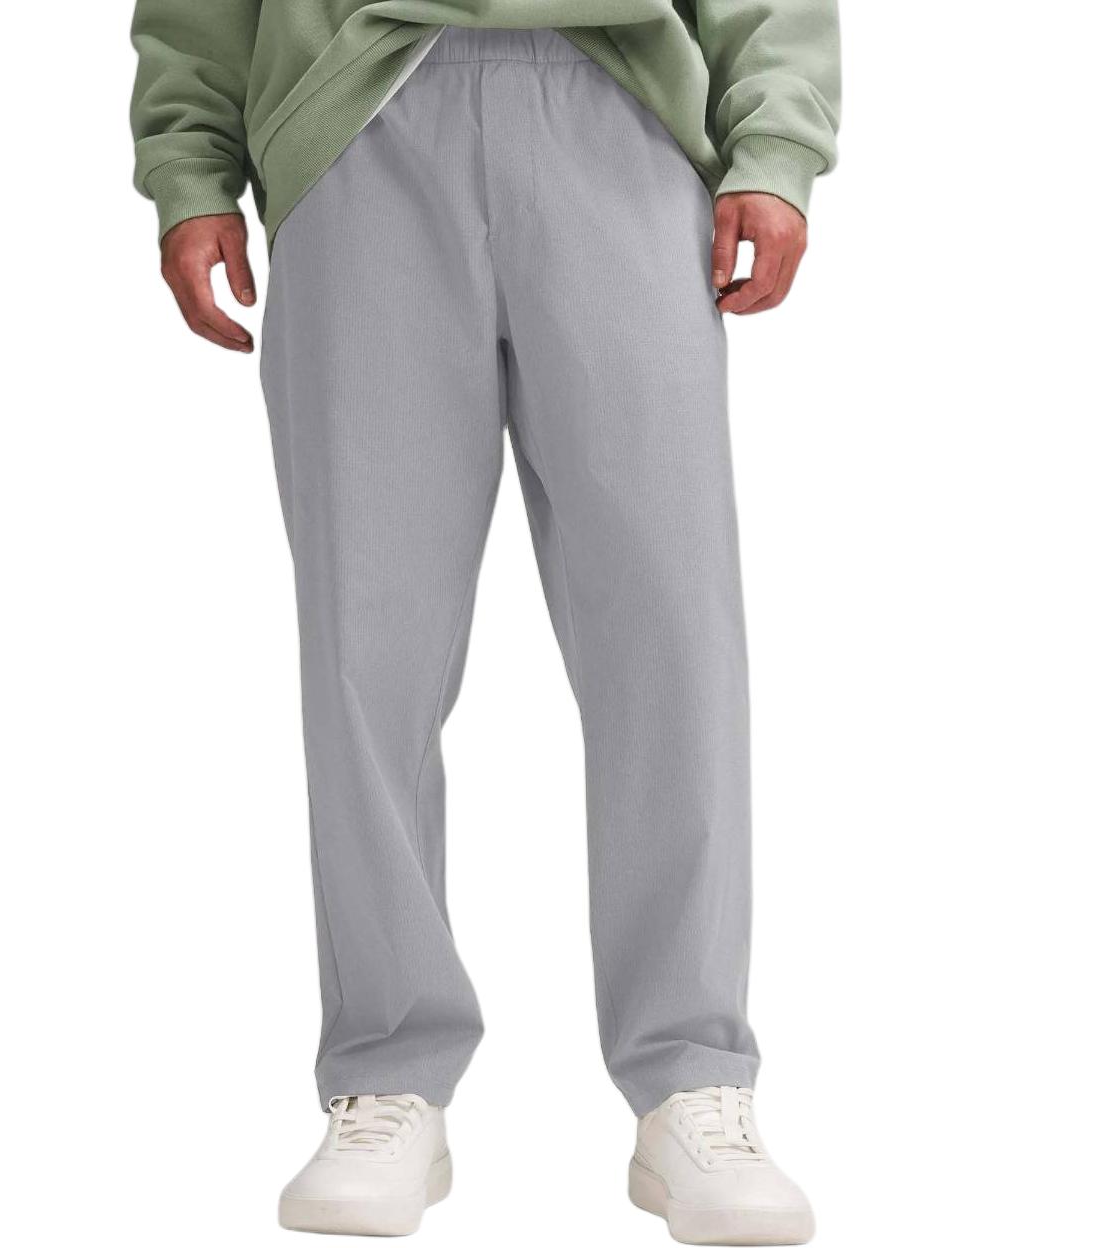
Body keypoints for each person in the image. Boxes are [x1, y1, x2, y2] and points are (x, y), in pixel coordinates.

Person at [130, 3, 839, 1242]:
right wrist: (192, 165)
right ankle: (388, 1071)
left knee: (671, 641)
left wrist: (774, 145)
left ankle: (692, 1077)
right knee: (368, 648)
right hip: (352, 117)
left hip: (624, 106)